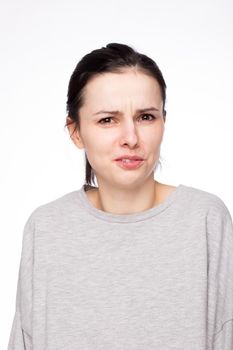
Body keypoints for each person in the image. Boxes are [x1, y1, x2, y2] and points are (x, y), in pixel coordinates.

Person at [7, 43, 233, 350]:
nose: (131, 139)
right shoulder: (46, 227)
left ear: (163, 123)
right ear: (76, 132)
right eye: (107, 120)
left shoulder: (206, 219)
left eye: (146, 117)